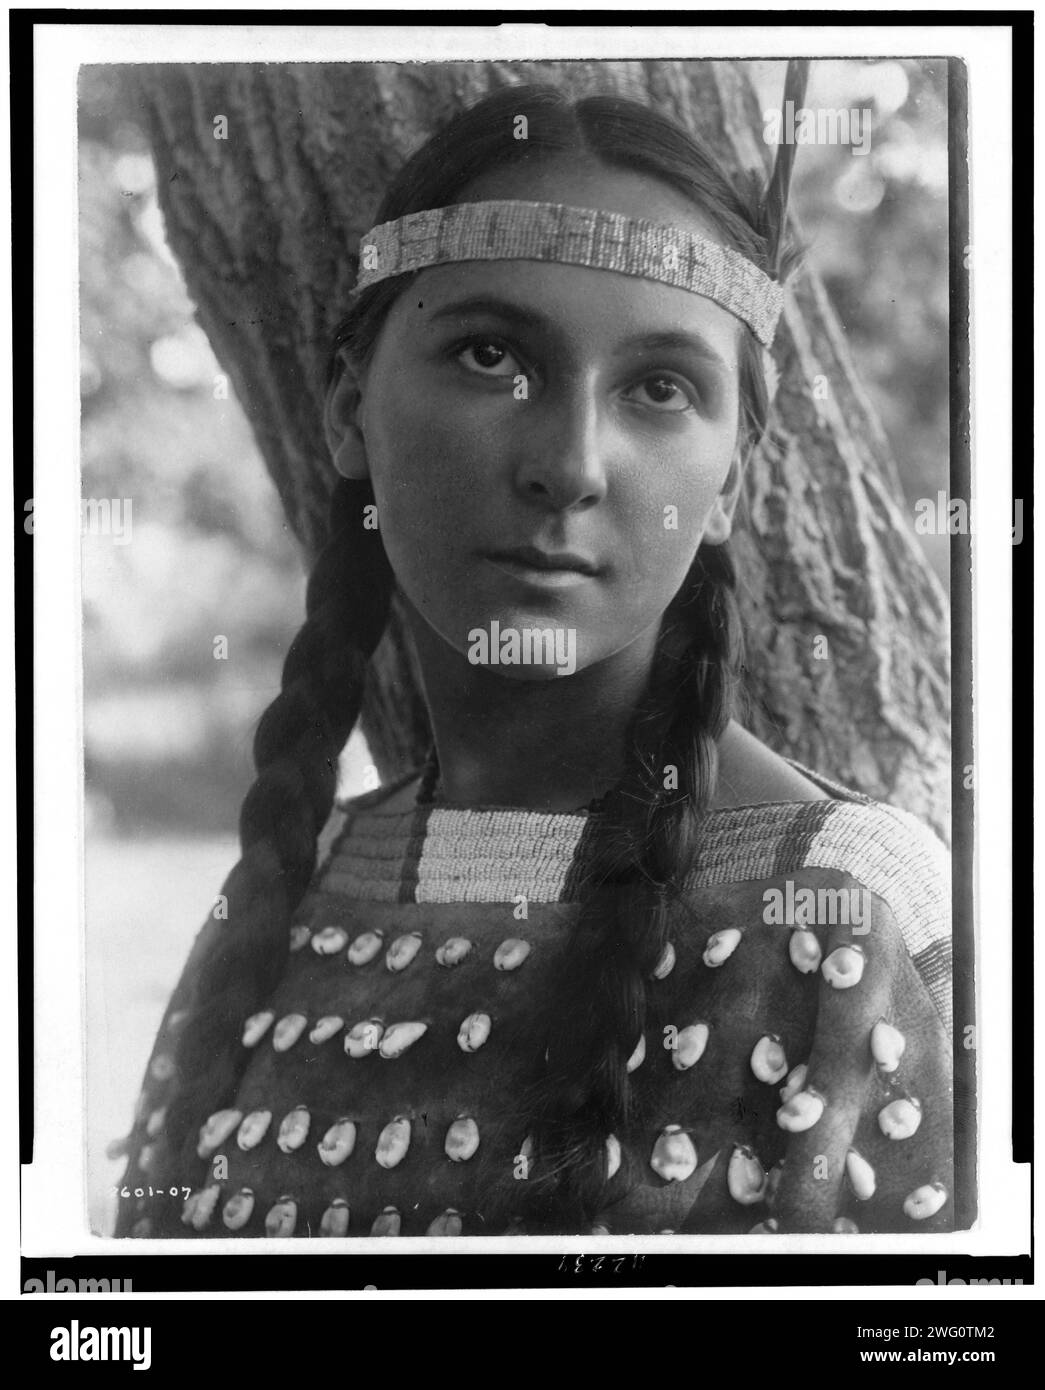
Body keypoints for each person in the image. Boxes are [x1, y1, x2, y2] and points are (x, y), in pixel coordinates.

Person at [112, 84, 953, 1239]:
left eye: (659, 388)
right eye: (492, 353)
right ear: (350, 414)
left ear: (730, 485)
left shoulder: (852, 916)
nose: (570, 462)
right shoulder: (289, 885)